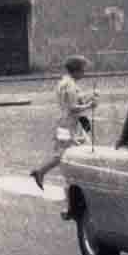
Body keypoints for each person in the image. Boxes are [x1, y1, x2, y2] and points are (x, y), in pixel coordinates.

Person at [32, 54, 97, 191]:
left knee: (66, 152)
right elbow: (73, 108)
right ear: (76, 70)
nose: (84, 73)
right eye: (83, 70)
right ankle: (75, 180)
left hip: (64, 122)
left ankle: (42, 172)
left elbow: (71, 102)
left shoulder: (64, 82)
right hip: (69, 124)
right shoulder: (71, 85)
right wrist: (89, 106)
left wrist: (87, 97)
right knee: (74, 152)